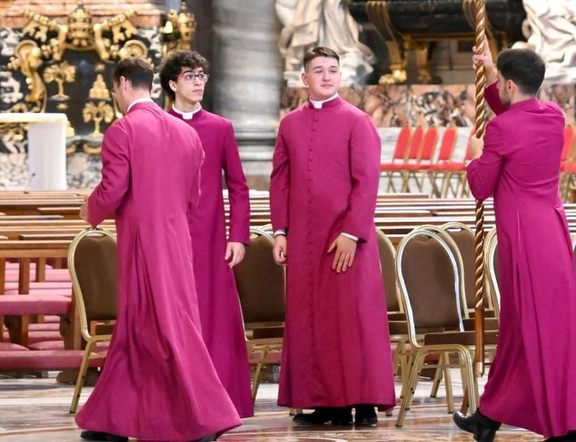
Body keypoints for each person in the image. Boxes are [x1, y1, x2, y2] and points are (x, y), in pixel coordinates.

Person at [76, 58, 242, 442]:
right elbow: (193, 197)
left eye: (115, 91)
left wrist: (91, 209)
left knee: (164, 328)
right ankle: (114, 421)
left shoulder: (124, 129)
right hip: (178, 244)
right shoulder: (187, 135)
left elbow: (113, 188)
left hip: (142, 245)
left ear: (121, 84)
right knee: (139, 328)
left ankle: (209, 418)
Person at [452, 43, 576, 442]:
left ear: (510, 84)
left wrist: (474, 157)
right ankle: (489, 415)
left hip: (524, 240)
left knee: (538, 330)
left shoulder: (501, 129)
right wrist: (494, 71)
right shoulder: (553, 116)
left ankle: (565, 427)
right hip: (551, 231)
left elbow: (480, 187)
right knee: (519, 329)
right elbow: (514, 115)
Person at [270, 46, 395, 426]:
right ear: (304, 78)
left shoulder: (358, 121)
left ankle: (364, 403)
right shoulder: (290, 123)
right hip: (305, 243)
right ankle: (325, 403)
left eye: (333, 70)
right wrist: (280, 231)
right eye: (319, 70)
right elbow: (280, 181)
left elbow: (367, 182)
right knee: (313, 321)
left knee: (352, 320)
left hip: (346, 240)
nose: (327, 76)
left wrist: (353, 234)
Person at [161, 50, 254, 419]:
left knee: (213, 317)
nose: (198, 82)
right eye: (189, 76)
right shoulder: (158, 125)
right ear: (172, 84)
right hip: (169, 239)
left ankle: (222, 401)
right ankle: (177, 396)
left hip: (213, 240)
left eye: (201, 75)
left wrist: (238, 236)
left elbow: (239, 187)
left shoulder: (219, 127)